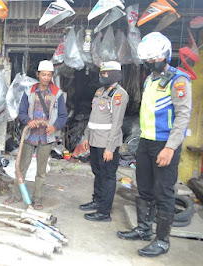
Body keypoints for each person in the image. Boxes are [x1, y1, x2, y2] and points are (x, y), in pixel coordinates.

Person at [117, 32, 192, 257]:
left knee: (164, 192)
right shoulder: (151, 79)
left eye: (154, 60)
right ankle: (143, 228)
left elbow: (182, 116)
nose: (151, 64)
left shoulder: (179, 80)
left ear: (166, 55)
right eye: (148, 61)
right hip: (146, 142)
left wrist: (170, 147)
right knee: (146, 188)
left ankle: (161, 240)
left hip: (165, 145)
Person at [4, 60, 67, 210]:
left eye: (49, 75)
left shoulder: (57, 94)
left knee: (41, 171)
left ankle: (37, 198)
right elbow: (22, 112)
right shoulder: (29, 91)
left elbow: (63, 116)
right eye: (43, 74)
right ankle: (16, 195)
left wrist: (55, 126)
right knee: (21, 167)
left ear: (52, 76)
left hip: (46, 137)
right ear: (38, 75)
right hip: (29, 136)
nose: (46, 77)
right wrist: (28, 121)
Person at [79, 61, 129, 222]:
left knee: (108, 176)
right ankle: (97, 201)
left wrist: (110, 147)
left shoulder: (119, 94)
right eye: (101, 73)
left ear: (114, 74)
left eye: (105, 74)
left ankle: (104, 212)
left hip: (107, 143)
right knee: (97, 173)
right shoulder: (100, 91)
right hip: (94, 141)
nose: (102, 76)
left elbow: (117, 123)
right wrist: (86, 137)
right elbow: (93, 117)